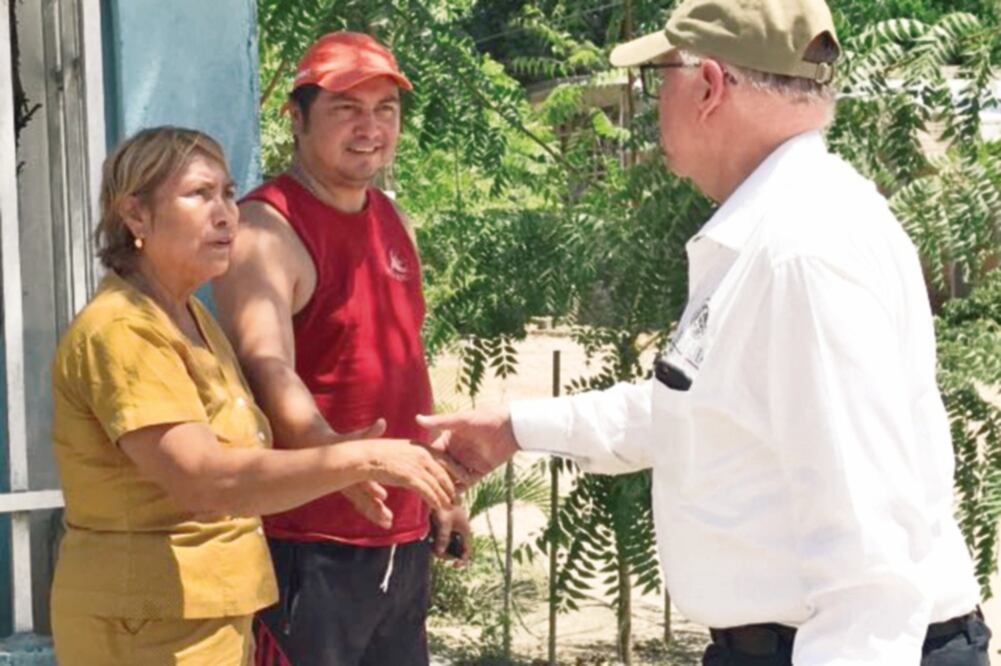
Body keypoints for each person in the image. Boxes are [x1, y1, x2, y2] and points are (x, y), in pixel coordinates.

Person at [420, 1, 992, 664]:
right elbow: (705, 414)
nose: (649, 105)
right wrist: (515, 427)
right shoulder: (773, 232)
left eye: (655, 79)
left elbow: (867, 544)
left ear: (709, 86)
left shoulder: (800, 250)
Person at [49, 126, 461, 666]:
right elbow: (205, 477)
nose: (225, 213)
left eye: (227, 192)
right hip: (144, 629)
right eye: (199, 195)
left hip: (207, 619)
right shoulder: (123, 332)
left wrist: (348, 466)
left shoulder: (187, 315)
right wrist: (354, 456)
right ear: (136, 215)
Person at [212, 32, 470, 666]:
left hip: (398, 534)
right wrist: (338, 456)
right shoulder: (265, 228)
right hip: (309, 537)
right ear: (296, 119)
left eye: (385, 109)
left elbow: (404, 362)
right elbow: (265, 366)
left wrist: (440, 488)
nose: (370, 127)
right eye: (345, 109)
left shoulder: (392, 217)